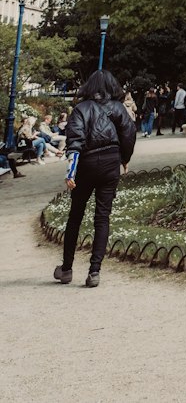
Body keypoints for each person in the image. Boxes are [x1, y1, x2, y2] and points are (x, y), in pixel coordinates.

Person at [53, 68, 136, 288]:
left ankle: (67, 268)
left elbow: (75, 142)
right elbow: (129, 134)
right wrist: (124, 160)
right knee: (102, 217)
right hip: (110, 161)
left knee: (76, 215)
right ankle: (94, 271)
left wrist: (71, 172)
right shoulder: (118, 108)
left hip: (87, 163)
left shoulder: (81, 109)